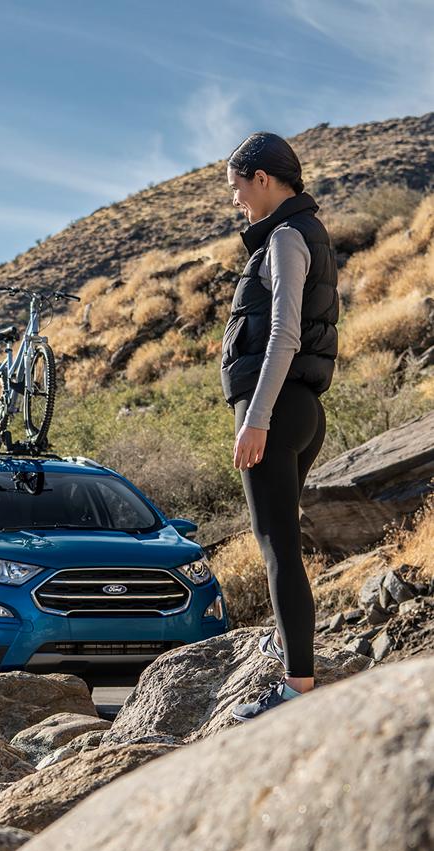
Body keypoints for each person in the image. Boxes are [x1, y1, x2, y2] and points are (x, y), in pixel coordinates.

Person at [220, 131, 338, 721]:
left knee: (276, 550)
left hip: (279, 409)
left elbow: (283, 335)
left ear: (263, 179)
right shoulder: (296, 233)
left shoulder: (286, 238)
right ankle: (292, 653)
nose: (237, 199)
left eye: (239, 186)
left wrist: (255, 419)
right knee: (279, 545)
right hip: (296, 409)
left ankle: (295, 688)